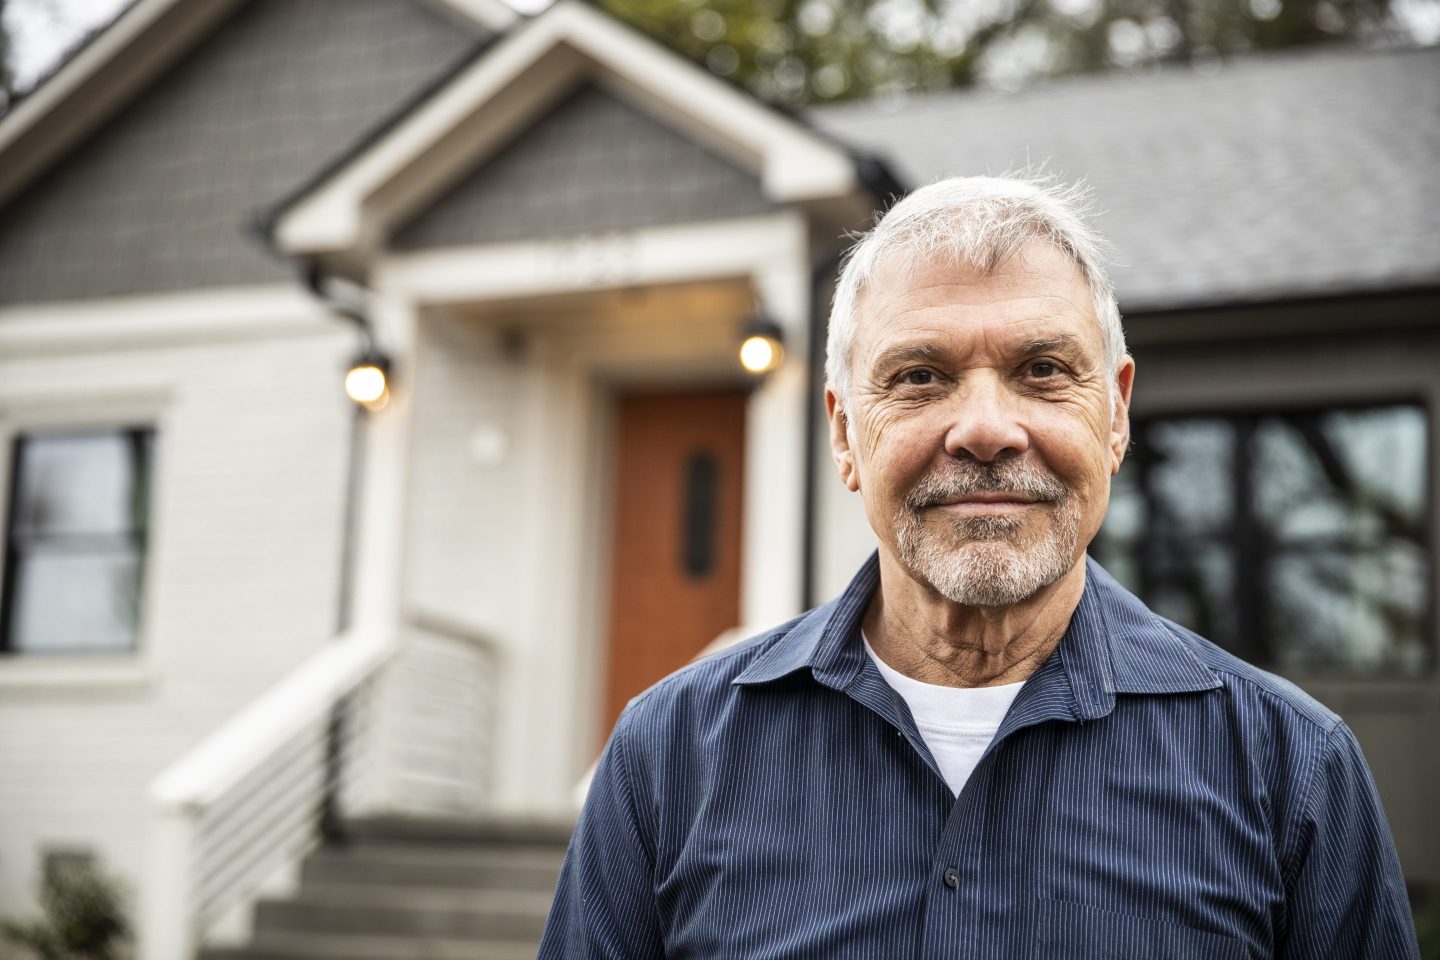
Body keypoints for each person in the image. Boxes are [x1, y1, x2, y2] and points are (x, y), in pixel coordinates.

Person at [537, 175, 1421, 959]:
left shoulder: (1292, 771)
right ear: (845, 433)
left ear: (1115, 417)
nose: (987, 429)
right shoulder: (665, 758)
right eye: (921, 376)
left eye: (1042, 369)